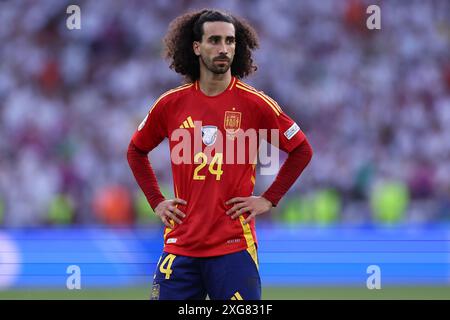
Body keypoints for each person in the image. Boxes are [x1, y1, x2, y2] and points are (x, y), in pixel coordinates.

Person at [127, 9, 313, 300]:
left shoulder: (255, 104)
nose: (224, 48)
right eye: (214, 40)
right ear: (196, 47)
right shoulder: (171, 104)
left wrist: (268, 198)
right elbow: (136, 151)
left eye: (230, 41)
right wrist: (156, 201)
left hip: (234, 247)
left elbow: (301, 149)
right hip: (180, 246)